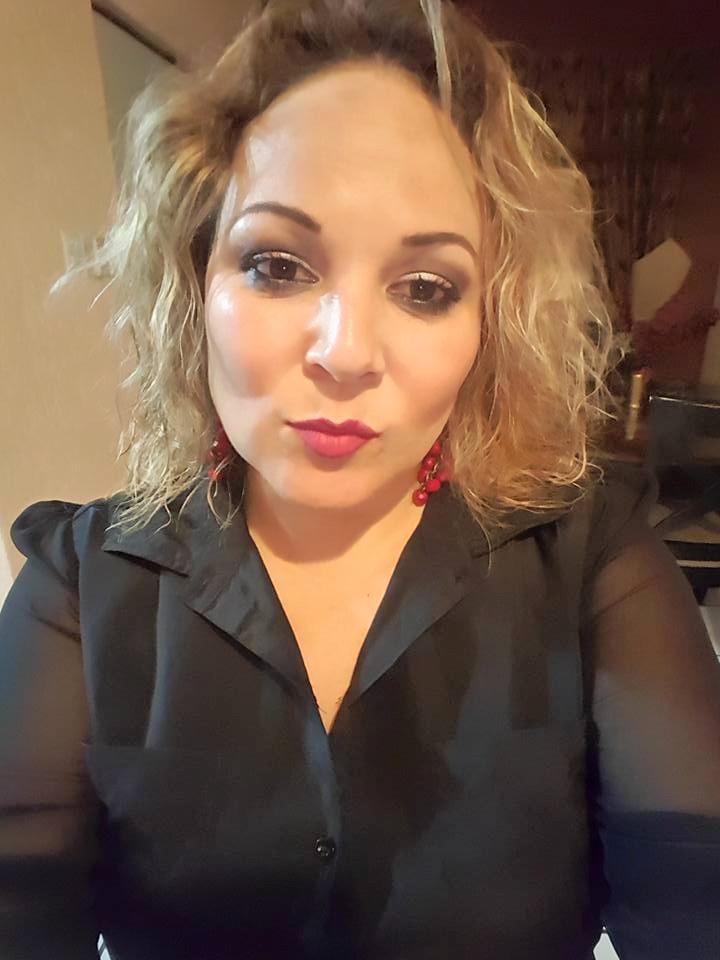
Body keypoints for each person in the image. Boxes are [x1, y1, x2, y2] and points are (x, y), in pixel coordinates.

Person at [1, 0, 719, 957]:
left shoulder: (594, 564)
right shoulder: (80, 584)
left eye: (426, 288)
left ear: (488, 326)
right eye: (277, 265)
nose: (345, 354)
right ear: (196, 282)